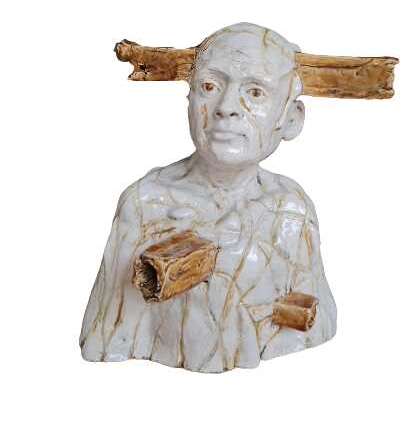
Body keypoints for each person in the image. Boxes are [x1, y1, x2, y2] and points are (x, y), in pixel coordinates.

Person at [80, 22, 337, 372]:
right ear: (189, 103)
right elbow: (106, 336)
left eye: (255, 92)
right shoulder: (145, 204)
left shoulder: (290, 210)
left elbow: (317, 321)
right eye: (209, 86)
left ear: (291, 119)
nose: (226, 107)